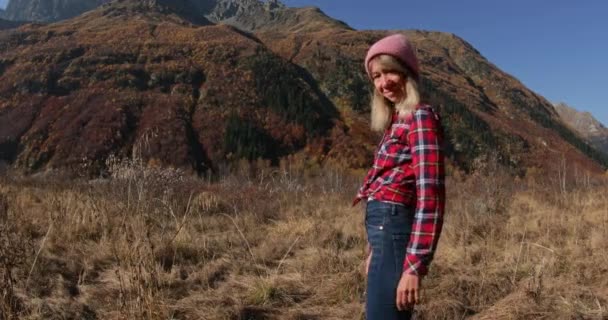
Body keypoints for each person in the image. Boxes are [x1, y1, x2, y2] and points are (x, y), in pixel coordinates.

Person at [353, 33, 446, 319]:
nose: (383, 83)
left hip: (394, 231)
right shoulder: (396, 122)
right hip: (384, 235)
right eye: (376, 76)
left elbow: (430, 195)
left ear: (408, 71)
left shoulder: (420, 117)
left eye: (390, 71)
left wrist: (414, 266)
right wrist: (373, 251)